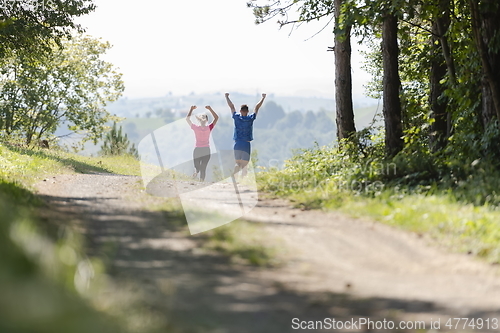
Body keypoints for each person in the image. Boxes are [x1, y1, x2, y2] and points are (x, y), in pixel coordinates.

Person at [225, 92, 266, 178]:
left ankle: (235, 176)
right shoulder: (250, 118)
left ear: (240, 111)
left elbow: (231, 106)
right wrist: (263, 98)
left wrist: (227, 97)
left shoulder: (236, 117)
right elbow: (257, 107)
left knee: (238, 163)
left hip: (237, 143)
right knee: (244, 166)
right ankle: (243, 181)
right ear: (247, 111)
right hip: (246, 144)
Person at [186, 105, 219, 181]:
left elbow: (187, 119)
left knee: (200, 167)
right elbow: (216, 118)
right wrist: (210, 109)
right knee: (200, 167)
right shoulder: (206, 128)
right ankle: (199, 177)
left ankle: (199, 176)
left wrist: (191, 109)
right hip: (203, 149)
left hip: (201, 149)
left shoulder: (200, 128)